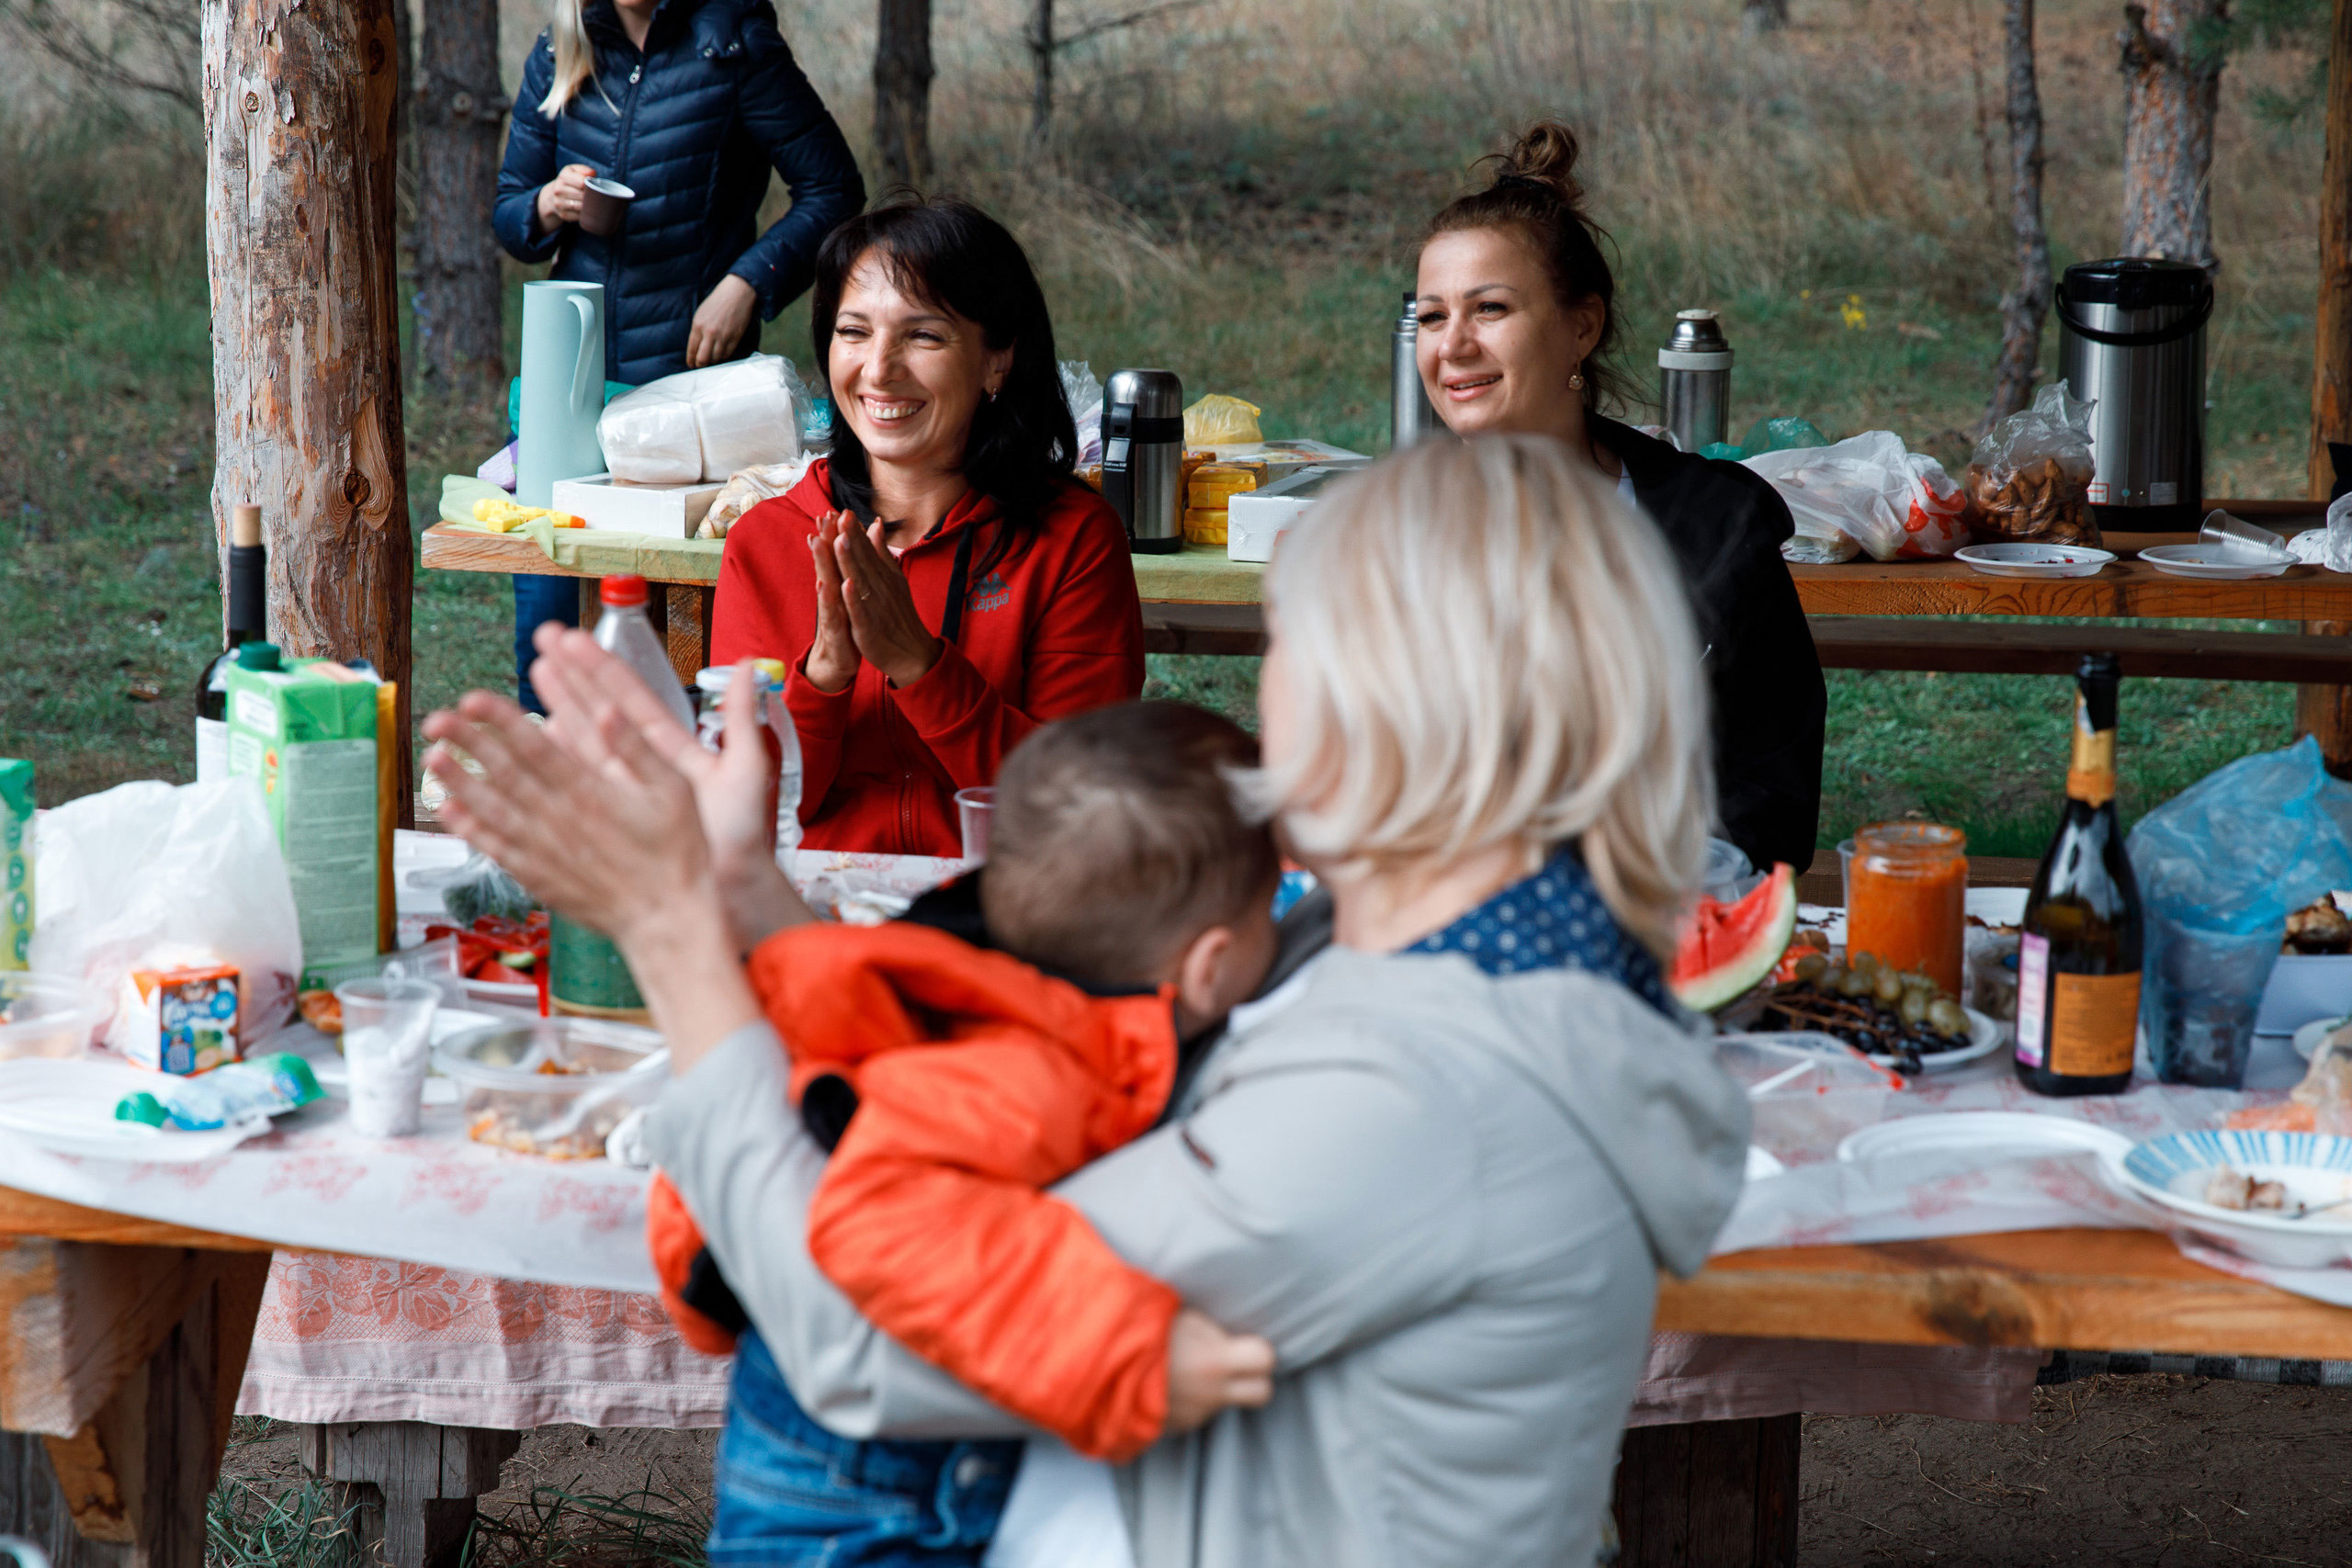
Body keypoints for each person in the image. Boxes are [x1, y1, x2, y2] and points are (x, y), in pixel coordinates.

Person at [424, 432, 1749, 1568]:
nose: (1265, 689)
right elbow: (1021, 1063)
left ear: (1396, 709)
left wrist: (671, 937)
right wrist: (743, 891)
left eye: (1291, 644)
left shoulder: (1427, 1094)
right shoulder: (1415, 955)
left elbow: (856, 1332)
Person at [644, 702, 1283, 1559]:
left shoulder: (991, 969)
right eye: (1270, 913)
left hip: (863, 1464)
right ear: (1209, 964)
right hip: (854, 1500)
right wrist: (1133, 1357)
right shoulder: (1033, 1073)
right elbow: (877, 1219)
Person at [1414, 120, 1827, 874]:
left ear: (1582, 326)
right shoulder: (1390, 537)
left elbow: (1769, 792)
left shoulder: (1716, 527)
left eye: (1490, 308)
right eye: (1433, 316)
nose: (1453, 345)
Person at [710, 197, 1147, 856]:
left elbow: (1077, 804)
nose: (879, 369)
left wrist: (921, 665)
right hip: (819, 901)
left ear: (998, 359)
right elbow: (751, 813)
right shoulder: (765, 542)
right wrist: (825, 674)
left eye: (923, 336)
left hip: (1005, 898)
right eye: (854, 332)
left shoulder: (1072, 540)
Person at [492, 0, 865, 711]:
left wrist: (747, 284)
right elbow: (510, 215)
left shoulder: (732, 42)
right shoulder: (563, 45)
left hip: (690, 397)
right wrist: (546, 203)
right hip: (569, 386)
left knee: (677, 633)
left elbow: (833, 190)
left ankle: (692, 762)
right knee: (549, 624)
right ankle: (550, 763)